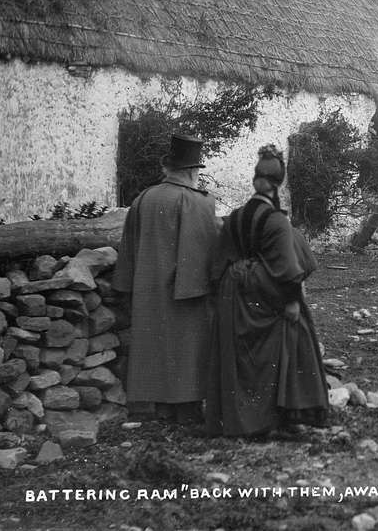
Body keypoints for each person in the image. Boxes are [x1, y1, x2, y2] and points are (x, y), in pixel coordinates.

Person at [207, 144, 330, 437]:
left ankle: (239, 419)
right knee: (297, 334)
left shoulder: (235, 216)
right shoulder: (276, 221)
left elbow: (219, 263)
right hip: (267, 291)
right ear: (278, 184)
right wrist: (292, 302)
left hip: (235, 295)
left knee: (243, 357)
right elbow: (287, 269)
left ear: (254, 181)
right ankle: (285, 415)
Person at [113, 133, 221, 423]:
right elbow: (209, 250)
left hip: (147, 289)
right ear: (191, 172)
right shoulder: (199, 202)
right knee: (187, 348)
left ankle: (153, 406)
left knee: (152, 346)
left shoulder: (143, 199)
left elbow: (128, 250)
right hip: (186, 292)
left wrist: (125, 286)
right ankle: (185, 407)